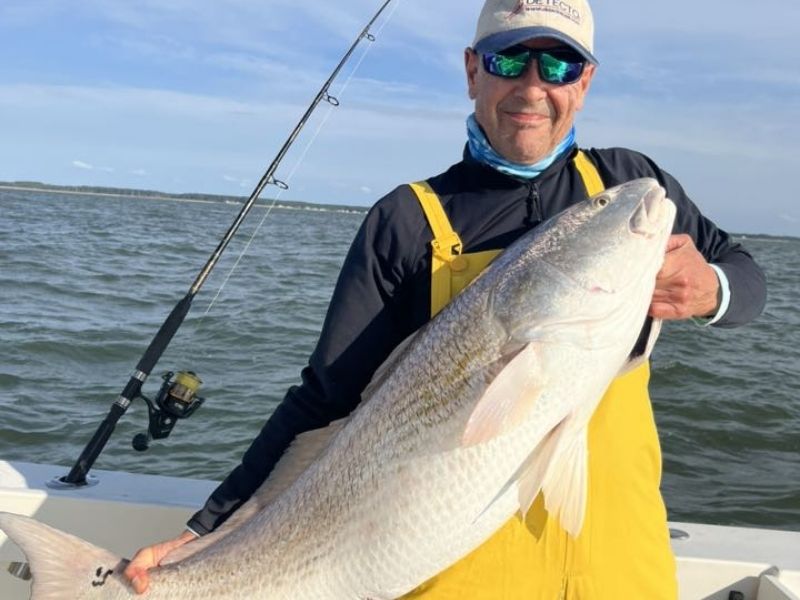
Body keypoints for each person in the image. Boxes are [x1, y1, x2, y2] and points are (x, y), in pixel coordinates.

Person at [124, 0, 767, 597]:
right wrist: (208, 531)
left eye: (560, 63)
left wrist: (713, 288)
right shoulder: (404, 220)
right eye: (509, 60)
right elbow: (325, 400)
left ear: (586, 82)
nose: (534, 86)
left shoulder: (631, 182)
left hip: (621, 562)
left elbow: (746, 279)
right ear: (471, 71)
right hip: (450, 567)